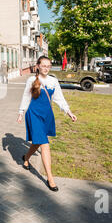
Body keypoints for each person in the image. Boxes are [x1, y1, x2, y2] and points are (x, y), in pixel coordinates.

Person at [17, 56, 77, 192]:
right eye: (43, 65)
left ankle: (26, 158)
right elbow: (26, 96)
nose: (46, 68)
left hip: (47, 115)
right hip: (34, 114)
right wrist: (21, 112)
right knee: (44, 143)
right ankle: (50, 178)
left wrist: (69, 112)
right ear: (38, 66)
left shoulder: (53, 81)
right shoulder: (31, 80)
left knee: (38, 142)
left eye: (48, 66)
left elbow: (59, 99)